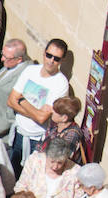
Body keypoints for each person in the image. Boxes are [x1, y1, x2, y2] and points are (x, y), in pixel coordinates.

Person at [6, 38, 69, 173]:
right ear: (44, 53)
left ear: (62, 61)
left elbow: (42, 118)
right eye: (49, 55)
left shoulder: (60, 83)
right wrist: (35, 112)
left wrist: (22, 101)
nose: (51, 61)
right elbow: (11, 101)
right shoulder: (30, 70)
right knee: (11, 174)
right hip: (18, 132)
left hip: (37, 139)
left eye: (56, 58)